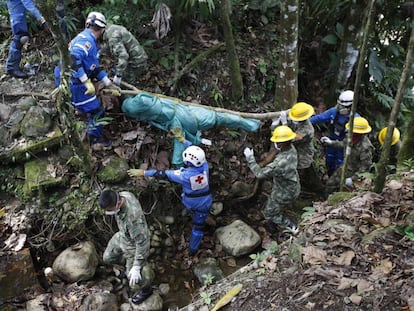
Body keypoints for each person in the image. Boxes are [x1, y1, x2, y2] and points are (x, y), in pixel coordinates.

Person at [128, 142, 212, 256]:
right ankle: (191, 242)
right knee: (198, 224)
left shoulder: (184, 176)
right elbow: (195, 151)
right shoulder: (204, 166)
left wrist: (143, 172)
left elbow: (162, 173)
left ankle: (192, 250)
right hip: (206, 201)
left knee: (197, 228)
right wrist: (183, 140)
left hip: (193, 203)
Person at [69, 11, 120, 147]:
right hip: (75, 82)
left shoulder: (86, 38)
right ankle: (94, 138)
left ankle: (79, 109)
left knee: (85, 104)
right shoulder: (86, 41)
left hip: (73, 78)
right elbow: (72, 59)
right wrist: (86, 81)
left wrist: (109, 84)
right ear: (102, 29)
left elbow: (94, 68)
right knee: (97, 111)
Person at [99, 189, 154, 305]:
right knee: (107, 258)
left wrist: (137, 266)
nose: (108, 213)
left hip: (134, 245)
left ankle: (146, 289)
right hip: (122, 236)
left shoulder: (133, 220)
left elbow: (143, 242)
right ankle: (127, 264)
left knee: (133, 280)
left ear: (118, 204)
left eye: (109, 210)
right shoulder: (124, 195)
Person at [243, 125, 301, 235]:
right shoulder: (291, 149)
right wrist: (274, 126)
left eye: (278, 142)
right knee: (276, 207)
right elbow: (281, 137)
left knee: (269, 213)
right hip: (292, 185)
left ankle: (290, 225)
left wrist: (250, 158)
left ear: (282, 143)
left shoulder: (279, 164)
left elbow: (259, 174)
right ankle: (274, 223)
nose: (276, 144)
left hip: (284, 193)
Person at [310, 90, 360, 176]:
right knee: (329, 162)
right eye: (339, 105)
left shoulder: (357, 120)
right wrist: (302, 121)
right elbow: (319, 118)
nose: (340, 108)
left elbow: (352, 142)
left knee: (340, 166)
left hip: (343, 147)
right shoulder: (333, 112)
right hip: (332, 143)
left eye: (343, 106)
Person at [322, 116, 374, 195]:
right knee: (330, 184)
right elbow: (343, 144)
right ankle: (324, 200)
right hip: (345, 166)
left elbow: (365, 168)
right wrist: (331, 142)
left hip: (355, 173)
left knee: (347, 193)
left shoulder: (365, 147)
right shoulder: (350, 137)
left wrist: (353, 179)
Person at [5, 0, 49, 78]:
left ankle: (11, 66)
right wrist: (42, 19)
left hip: (17, 7)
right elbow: (28, 2)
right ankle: (11, 67)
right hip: (16, 8)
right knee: (20, 37)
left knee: (21, 37)